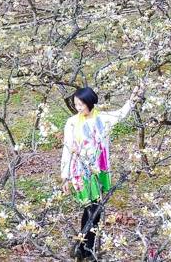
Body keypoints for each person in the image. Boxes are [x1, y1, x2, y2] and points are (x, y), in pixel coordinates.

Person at [60, 85, 143, 261]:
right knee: (91, 208)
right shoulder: (72, 123)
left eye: (81, 104)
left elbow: (121, 113)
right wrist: (65, 177)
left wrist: (134, 97)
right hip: (80, 171)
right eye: (76, 104)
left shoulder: (103, 119)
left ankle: (85, 246)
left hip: (99, 170)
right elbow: (67, 149)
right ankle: (86, 247)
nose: (78, 108)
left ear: (90, 103)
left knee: (94, 207)